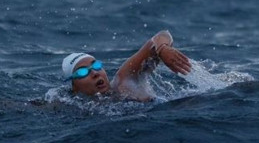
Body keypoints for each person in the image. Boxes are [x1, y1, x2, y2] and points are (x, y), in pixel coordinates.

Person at [61, 30, 192, 102]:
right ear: (74, 87)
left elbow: (160, 36)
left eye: (95, 65)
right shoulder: (74, 107)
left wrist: (162, 48)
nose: (95, 73)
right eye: (83, 72)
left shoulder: (124, 81)